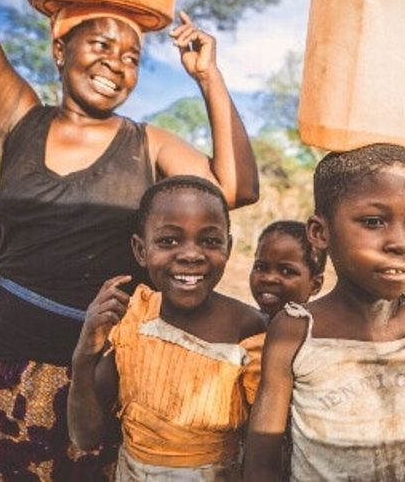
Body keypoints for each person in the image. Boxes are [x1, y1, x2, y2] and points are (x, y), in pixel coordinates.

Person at [0, 0, 258, 479]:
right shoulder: (18, 121)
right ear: (60, 48)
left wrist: (208, 76)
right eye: (101, 44)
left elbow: (236, 188)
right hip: (17, 362)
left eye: (131, 57)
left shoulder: (148, 144)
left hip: (115, 369)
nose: (116, 63)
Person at [243, 50, 405, 481]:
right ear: (320, 232)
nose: (400, 243)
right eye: (373, 222)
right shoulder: (297, 329)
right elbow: (261, 459)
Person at [68, 175, 267, 480]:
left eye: (210, 240)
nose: (191, 254)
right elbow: (86, 437)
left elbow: (264, 441)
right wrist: (84, 355)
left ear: (228, 246)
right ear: (140, 250)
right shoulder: (134, 319)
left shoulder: (248, 328)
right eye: (168, 240)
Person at [249, 220, 326, 320]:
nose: (269, 278)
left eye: (286, 271)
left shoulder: (314, 333)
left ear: (315, 285)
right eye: (260, 267)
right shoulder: (245, 328)